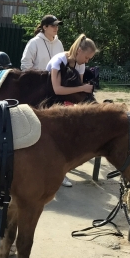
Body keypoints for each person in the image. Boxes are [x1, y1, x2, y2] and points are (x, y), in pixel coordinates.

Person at [47, 34, 98, 187]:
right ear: (79, 51)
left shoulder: (80, 64)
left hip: (63, 102)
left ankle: (63, 169)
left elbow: (76, 90)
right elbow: (57, 89)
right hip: (47, 100)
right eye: (87, 57)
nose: (87, 61)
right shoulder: (58, 61)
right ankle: (58, 172)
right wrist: (83, 88)